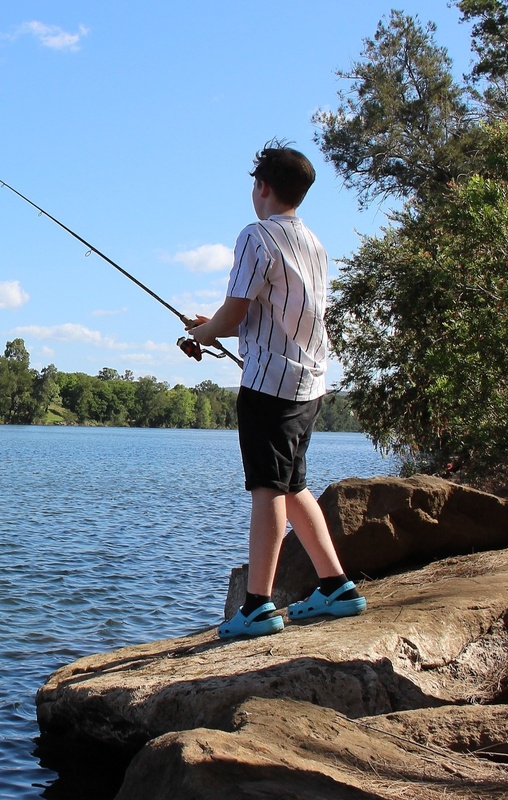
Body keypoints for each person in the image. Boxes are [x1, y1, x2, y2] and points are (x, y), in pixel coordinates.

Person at [184, 142, 366, 639]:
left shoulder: (256, 237)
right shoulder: (314, 244)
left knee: (266, 487)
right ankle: (336, 586)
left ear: (261, 186)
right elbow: (272, 315)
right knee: (292, 485)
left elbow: (236, 311)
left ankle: (258, 606)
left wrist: (205, 333)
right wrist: (216, 326)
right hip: (310, 383)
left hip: (269, 386)